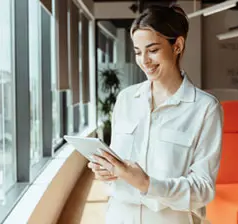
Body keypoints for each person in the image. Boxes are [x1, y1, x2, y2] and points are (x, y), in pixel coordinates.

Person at [88, 4, 223, 224]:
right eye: (138, 52)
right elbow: (117, 163)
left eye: (153, 50)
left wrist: (147, 184)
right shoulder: (126, 99)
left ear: (177, 45)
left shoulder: (205, 108)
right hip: (119, 217)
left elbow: (203, 189)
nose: (144, 61)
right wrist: (107, 171)